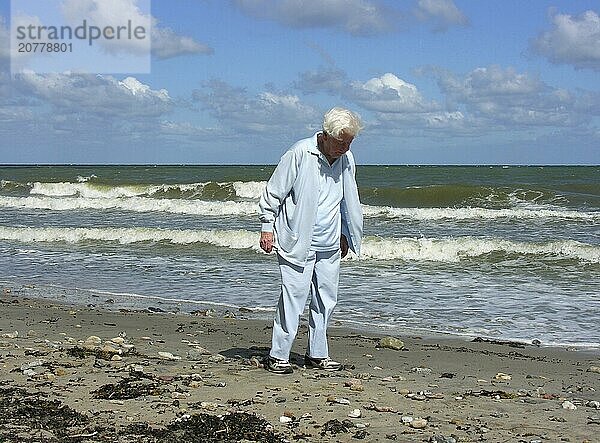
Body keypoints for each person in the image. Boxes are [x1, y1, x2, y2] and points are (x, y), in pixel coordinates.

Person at [258, 107, 363, 374]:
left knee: (326, 299)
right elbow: (273, 193)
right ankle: (278, 356)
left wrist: (345, 234)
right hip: (297, 238)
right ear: (327, 136)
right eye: (342, 142)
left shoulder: (346, 159)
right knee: (293, 298)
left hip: (329, 242)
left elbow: (344, 199)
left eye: (349, 142)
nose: (345, 147)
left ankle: (317, 355)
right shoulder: (300, 153)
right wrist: (266, 227)